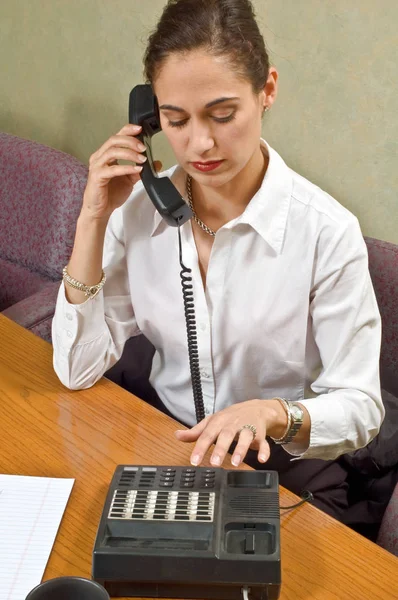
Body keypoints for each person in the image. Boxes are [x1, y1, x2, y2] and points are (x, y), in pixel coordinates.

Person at [52, 0, 384, 521]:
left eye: (222, 114)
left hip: (282, 466)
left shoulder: (327, 232)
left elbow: (362, 407)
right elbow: (76, 369)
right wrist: (92, 217)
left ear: (267, 89)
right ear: (149, 116)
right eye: (175, 120)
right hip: (167, 442)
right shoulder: (138, 212)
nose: (200, 143)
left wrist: (272, 414)